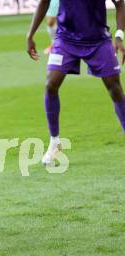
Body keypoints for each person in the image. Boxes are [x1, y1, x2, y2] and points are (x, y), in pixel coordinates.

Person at [27, 0, 125, 165]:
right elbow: (44, 2)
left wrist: (119, 36)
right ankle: (54, 142)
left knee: (115, 88)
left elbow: (120, 4)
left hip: (98, 41)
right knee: (51, 84)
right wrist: (30, 35)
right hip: (66, 40)